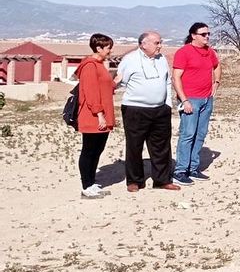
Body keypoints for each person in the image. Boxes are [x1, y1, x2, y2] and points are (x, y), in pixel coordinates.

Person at [115, 31, 181, 192]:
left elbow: (166, 81)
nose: (160, 46)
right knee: (134, 146)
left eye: (160, 42)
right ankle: (135, 181)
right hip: (135, 109)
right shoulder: (129, 60)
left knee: (161, 146)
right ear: (144, 44)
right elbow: (120, 81)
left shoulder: (161, 60)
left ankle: (162, 180)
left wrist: (167, 104)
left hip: (160, 110)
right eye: (157, 43)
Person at [172, 22, 220, 186]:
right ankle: (180, 170)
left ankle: (193, 167)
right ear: (193, 35)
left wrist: (216, 82)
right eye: (203, 34)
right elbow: (176, 77)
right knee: (188, 134)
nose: (207, 36)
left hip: (207, 99)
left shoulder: (210, 52)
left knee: (200, 134)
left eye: (208, 34)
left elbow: (217, 65)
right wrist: (184, 100)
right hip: (190, 99)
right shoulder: (184, 52)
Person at [75, 33, 116, 199]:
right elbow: (91, 93)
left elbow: (108, 85)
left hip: (102, 114)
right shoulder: (90, 66)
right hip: (93, 115)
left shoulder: (100, 65)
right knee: (89, 150)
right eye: (108, 48)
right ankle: (86, 186)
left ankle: (92, 182)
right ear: (98, 48)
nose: (110, 51)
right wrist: (99, 114)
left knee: (97, 150)